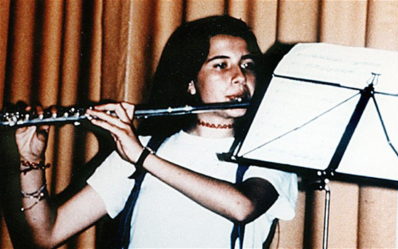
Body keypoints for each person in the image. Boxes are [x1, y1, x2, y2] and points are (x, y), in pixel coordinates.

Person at [14, 15, 297, 248]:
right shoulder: (142, 149)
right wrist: (31, 161)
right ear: (191, 83)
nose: (239, 76)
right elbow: (45, 235)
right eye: (221, 64)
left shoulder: (266, 154)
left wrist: (141, 157)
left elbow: (242, 206)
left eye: (247, 65)